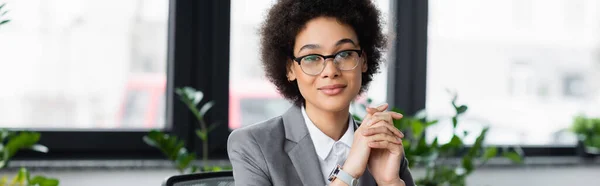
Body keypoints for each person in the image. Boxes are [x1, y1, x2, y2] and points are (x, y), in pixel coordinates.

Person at [227, 0, 414, 185]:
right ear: (290, 69)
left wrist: (389, 182)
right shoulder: (253, 145)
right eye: (312, 58)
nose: (330, 71)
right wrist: (348, 173)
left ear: (363, 60)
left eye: (345, 54)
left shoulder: (381, 143)